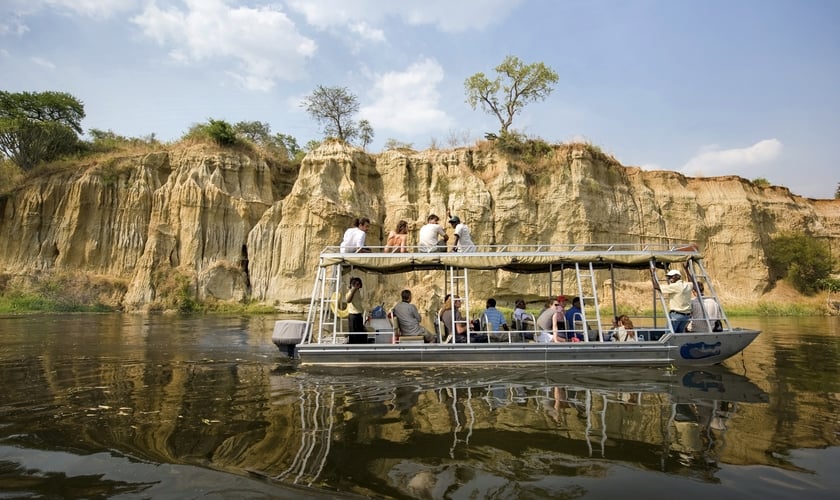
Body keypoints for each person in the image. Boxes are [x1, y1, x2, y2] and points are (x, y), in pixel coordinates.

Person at [652, 268, 693, 333]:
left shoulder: (675, 286)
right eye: (668, 277)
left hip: (676, 315)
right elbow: (691, 281)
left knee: (669, 334)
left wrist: (653, 275)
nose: (669, 278)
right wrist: (687, 270)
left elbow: (656, 287)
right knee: (679, 335)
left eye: (671, 276)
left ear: (678, 276)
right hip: (686, 316)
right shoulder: (687, 285)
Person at [344, 277, 367, 344]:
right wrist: (353, 289)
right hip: (353, 316)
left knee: (360, 334)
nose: (358, 285)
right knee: (354, 335)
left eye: (358, 284)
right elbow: (348, 300)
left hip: (359, 315)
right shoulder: (351, 291)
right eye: (356, 284)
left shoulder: (358, 291)